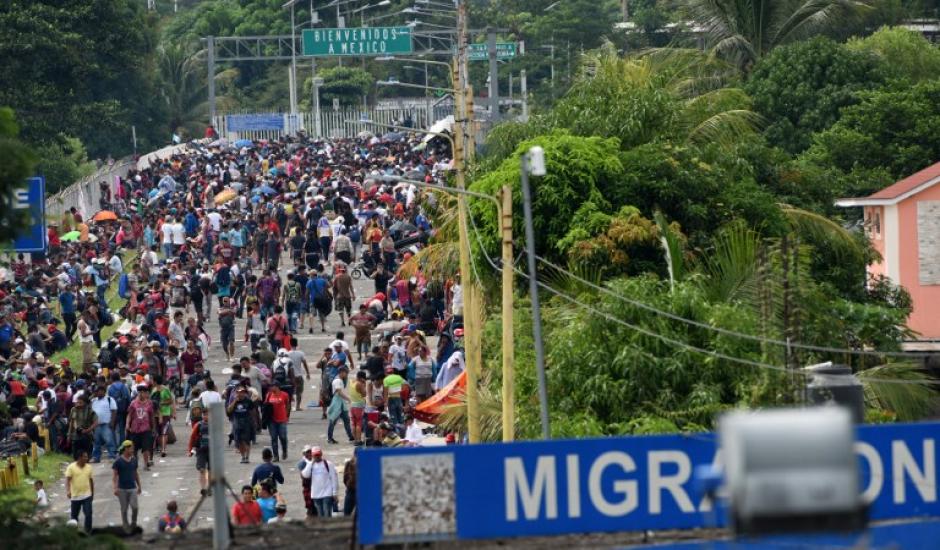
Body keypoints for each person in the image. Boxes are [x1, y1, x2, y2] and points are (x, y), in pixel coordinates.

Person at [112, 440, 141, 533]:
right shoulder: (118, 461)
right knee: (124, 509)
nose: (132, 450)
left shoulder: (134, 460)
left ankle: (133, 523)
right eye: (130, 448)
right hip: (122, 489)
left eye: (132, 448)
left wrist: (139, 486)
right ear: (125, 449)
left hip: (132, 488)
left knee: (135, 507)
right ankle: (125, 525)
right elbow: (115, 476)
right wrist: (115, 488)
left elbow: (136, 473)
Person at [302, 447, 339, 518]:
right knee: (320, 515)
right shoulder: (311, 465)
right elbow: (305, 475)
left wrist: (334, 493)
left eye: (318, 455)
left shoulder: (328, 464)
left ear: (321, 454)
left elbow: (334, 478)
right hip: (316, 495)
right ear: (312, 456)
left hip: (327, 494)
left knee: (327, 514)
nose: (317, 457)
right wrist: (311, 463)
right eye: (315, 455)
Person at [126, 385, 156, 470]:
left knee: (145, 448)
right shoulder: (133, 403)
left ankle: (146, 464)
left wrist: (153, 427)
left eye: (143, 392)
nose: (141, 394)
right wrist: (127, 425)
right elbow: (129, 415)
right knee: (134, 449)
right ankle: (134, 464)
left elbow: (151, 416)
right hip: (135, 429)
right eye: (140, 392)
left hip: (146, 429)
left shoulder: (149, 403)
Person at [65, 450, 94, 533]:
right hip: (75, 496)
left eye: (87, 456)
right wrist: (68, 491)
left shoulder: (89, 467)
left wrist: (92, 493)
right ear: (79, 458)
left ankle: (88, 531)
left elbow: (91, 481)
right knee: (74, 517)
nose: (87, 458)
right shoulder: (71, 467)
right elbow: (67, 480)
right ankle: (75, 533)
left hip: (87, 495)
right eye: (85, 457)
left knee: (88, 514)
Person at [227, 386, 257, 463]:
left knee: (246, 441)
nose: (240, 394)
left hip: (247, 422)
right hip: (237, 422)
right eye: (238, 392)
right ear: (236, 393)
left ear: (244, 393)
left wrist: (254, 422)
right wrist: (234, 402)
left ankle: (247, 457)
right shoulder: (234, 401)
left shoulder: (248, 401)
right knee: (239, 441)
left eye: (242, 392)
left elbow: (253, 411)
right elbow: (229, 410)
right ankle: (243, 456)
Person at [187, 407, 212, 495]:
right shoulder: (198, 425)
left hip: (212, 451)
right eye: (205, 415)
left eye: (208, 415)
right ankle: (203, 488)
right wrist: (190, 450)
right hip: (201, 450)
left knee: (211, 470)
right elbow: (192, 437)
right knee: (202, 469)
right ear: (202, 415)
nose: (206, 417)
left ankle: (210, 488)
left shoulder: (215, 425)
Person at [90, 384, 118, 462]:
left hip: (106, 423)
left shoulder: (109, 399)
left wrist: (112, 421)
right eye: (97, 391)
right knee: (96, 442)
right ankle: (96, 457)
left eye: (100, 391)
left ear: (104, 391)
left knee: (109, 440)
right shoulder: (93, 400)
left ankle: (112, 455)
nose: (98, 392)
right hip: (96, 424)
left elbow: (114, 410)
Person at [327, 366, 354, 444]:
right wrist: (348, 399)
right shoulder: (337, 381)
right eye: (346, 373)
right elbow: (339, 392)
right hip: (337, 403)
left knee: (346, 420)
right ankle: (330, 438)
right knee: (333, 421)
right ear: (342, 372)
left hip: (341, 404)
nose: (346, 375)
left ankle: (351, 437)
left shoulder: (340, 380)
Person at [265, 382, 291, 461]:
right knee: (273, 438)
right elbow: (266, 405)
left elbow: (288, 404)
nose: (270, 388)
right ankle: (275, 456)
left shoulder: (284, 395)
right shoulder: (269, 395)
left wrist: (286, 415)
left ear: (277, 387)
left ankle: (284, 451)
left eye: (272, 386)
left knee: (283, 437)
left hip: (282, 419)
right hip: (272, 420)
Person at [152, 375, 176, 458]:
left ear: (155, 381)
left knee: (164, 432)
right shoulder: (154, 390)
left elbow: (170, 400)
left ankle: (163, 450)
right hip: (156, 414)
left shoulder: (165, 390)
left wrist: (162, 404)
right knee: (158, 432)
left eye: (153, 380)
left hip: (165, 413)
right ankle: (160, 448)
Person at [68, 394, 97, 459]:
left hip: (87, 435)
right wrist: (69, 434)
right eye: (77, 402)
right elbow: (72, 422)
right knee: (75, 455)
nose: (78, 404)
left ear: (85, 403)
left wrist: (88, 430)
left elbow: (96, 422)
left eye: (80, 402)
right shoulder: (74, 409)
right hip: (76, 435)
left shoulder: (90, 411)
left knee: (86, 455)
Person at [349, 371, 367, 446]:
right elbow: (364, 394)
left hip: (352, 405)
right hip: (359, 406)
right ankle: (359, 440)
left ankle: (355, 439)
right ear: (361, 378)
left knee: (353, 423)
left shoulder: (351, 381)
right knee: (359, 423)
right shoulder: (359, 384)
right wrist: (364, 384)